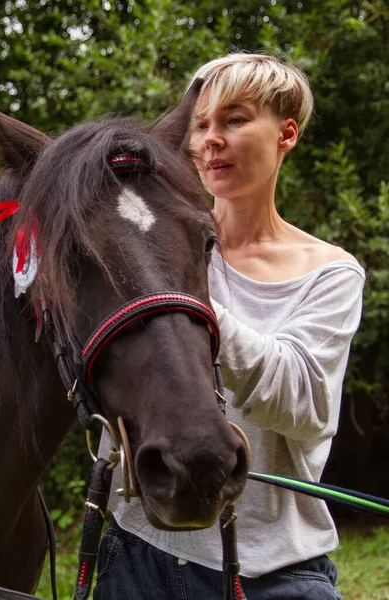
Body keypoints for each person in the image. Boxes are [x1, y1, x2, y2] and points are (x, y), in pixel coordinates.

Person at [93, 53, 365, 599]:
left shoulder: (329, 272)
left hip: (274, 568)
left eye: (235, 120)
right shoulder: (143, 246)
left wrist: (178, 308)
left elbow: (306, 405)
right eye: (200, 125)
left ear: (286, 133)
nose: (210, 140)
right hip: (139, 548)